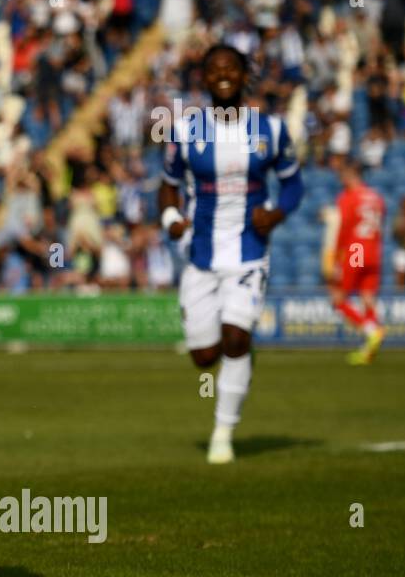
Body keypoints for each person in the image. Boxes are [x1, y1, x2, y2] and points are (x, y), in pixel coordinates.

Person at [158, 44, 304, 465]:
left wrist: (276, 213)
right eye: (214, 69)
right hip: (200, 254)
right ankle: (230, 351)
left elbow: (294, 184)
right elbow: (168, 183)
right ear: (203, 79)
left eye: (231, 68)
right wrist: (171, 217)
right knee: (204, 359)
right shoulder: (185, 131)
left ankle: (223, 433)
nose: (223, 75)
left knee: (236, 339)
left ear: (244, 77)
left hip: (249, 252)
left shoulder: (270, 130)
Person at [328, 161, 386, 364]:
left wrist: (336, 259)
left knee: (338, 297)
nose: (340, 178)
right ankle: (367, 351)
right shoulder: (376, 197)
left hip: (356, 249)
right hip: (374, 250)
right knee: (367, 297)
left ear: (352, 173)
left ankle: (372, 331)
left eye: (343, 174)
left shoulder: (347, 197)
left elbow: (343, 230)